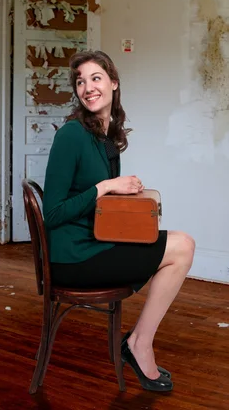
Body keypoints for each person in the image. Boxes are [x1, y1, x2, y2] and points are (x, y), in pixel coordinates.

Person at [42, 50, 195, 393]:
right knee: (182, 247)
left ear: (113, 83)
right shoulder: (71, 135)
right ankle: (139, 344)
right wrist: (107, 186)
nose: (87, 87)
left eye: (96, 78)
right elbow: (52, 213)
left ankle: (138, 341)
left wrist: (126, 192)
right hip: (73, 258)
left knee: (180, 243)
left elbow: (97, 202)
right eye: (80, 81)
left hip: (95, 242)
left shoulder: (103, 134)